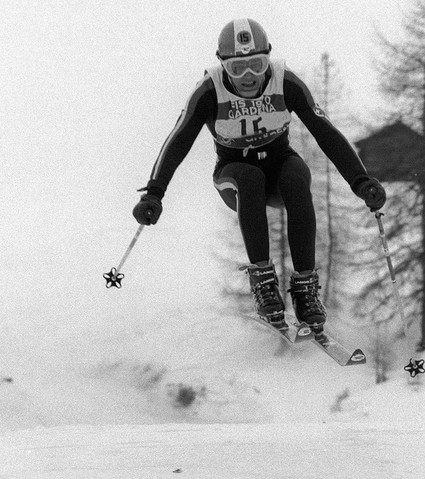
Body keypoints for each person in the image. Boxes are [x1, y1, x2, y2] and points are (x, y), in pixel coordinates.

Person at [133, 18, 386, 337]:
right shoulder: (209, 91)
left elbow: (327, 134)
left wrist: (361, 183)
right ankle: (264, 284)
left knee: (296, 175)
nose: (249, 77)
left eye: (257, 64)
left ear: (269, 58)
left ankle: (305, 290)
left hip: (280, 169)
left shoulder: (287, 84)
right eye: (238, 69)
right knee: (249, 177)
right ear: (222, 65)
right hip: (234, 175)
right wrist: (155, 192)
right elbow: (179, 139)